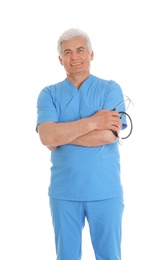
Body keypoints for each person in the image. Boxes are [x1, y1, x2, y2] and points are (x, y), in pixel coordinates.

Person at [36, 28, 127, 260]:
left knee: (109, 256)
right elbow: (46, 136)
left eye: (80, 50)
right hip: (64, 193)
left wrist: (61, 134)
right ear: (60, 59)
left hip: (104, 191)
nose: (74, 57)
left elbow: (109, 136)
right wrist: (95, 121)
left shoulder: (110, 89)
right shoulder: (49, 94)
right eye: (67, 52)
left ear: (91, 54)